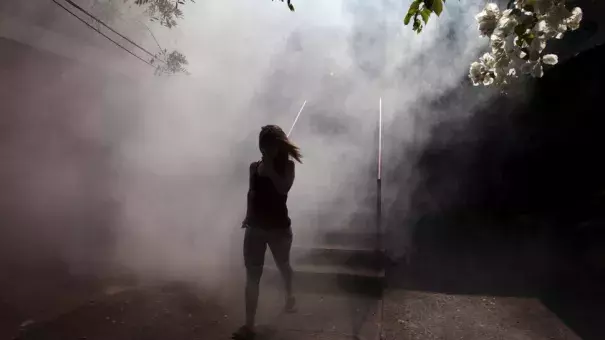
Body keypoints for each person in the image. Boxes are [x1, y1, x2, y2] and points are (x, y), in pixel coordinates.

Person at [232, 125, 303, 340]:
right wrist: (247, 215)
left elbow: (283, 188)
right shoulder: (254, 167)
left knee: (283, 265)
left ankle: (290, 295)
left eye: (269, 146)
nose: (264, 150)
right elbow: (251, 193)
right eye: (262, 146)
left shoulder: (287, 167)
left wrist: (271, 168)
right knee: (253, 276)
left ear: (278, 146)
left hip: (279, 228)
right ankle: (249, 325)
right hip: (255, 227)